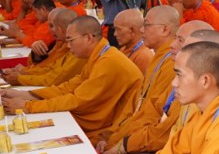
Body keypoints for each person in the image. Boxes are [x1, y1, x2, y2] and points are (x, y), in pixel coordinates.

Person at [2, 16, 142, 139]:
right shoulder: (99, 56)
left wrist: (27, 106)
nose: (68, 46)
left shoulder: (108, 61)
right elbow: (68, 87)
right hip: (104, 120)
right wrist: (24, 95)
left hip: (115, 130)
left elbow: (77, 100)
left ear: (88, 38)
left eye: (70, 40)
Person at [96, 6, 182, 154]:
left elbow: (154, 120)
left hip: (145, 147)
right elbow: (137, 106)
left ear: (165, 30)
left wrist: (120, 145)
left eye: (147, 25)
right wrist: (111, 136)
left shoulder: (171, 67)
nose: (142, 30)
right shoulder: (158, 59)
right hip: (130, 136)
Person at [0, 8, 84, 87]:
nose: (50, 30)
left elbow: (55, 78)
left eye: (52, 26)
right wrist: (24, 72)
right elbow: (50, 68)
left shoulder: (79, 50)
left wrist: (20, 78)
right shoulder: (61, 42)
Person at [112, 8, 153, 74]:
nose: (115, 34)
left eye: (118, 29)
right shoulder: (123, 49)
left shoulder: (143, 56)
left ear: (132, 31)